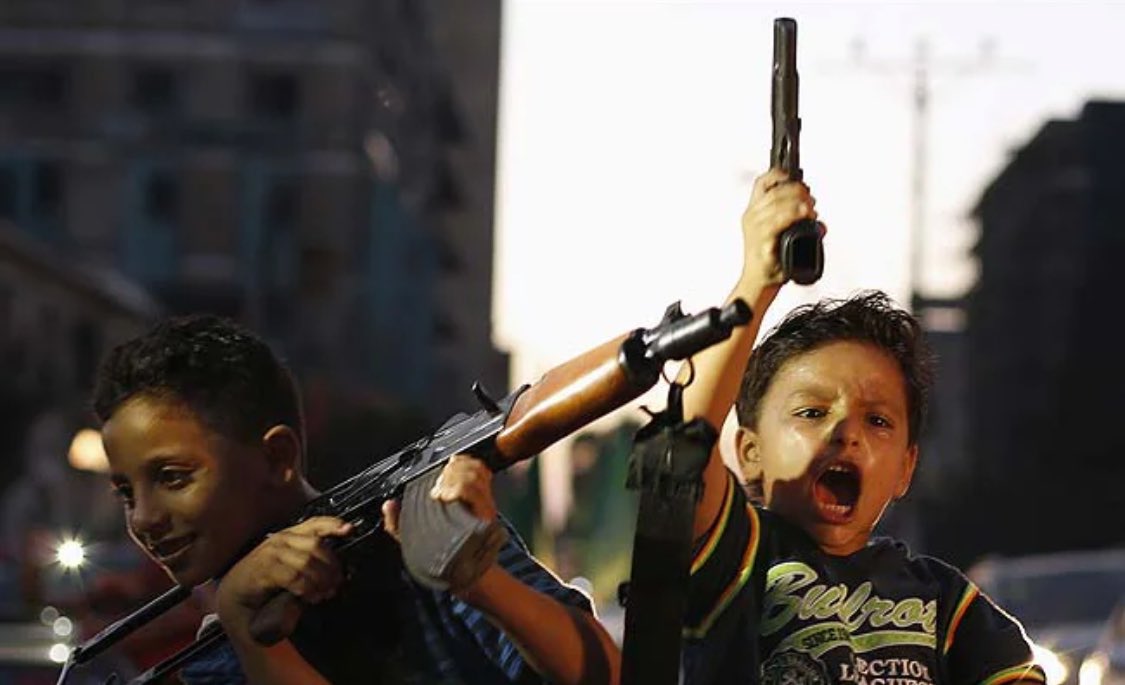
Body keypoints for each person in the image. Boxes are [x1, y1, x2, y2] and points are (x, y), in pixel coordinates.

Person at [92, 315, 619, 685]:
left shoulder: (412, 529)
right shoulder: (220, 652)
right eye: (125, 493)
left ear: (278, 458)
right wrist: (246, 629)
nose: (144, 518)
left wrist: (480, 583)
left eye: (173, 477)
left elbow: (611, 674)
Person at [678, 168, 1046, 684]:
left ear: (905, 468)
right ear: (749, 450)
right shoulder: (734, 559)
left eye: (877, 420)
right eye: (812, 412)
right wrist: (754, 285)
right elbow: (681, 447)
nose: (846, 432)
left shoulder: (945, 600)